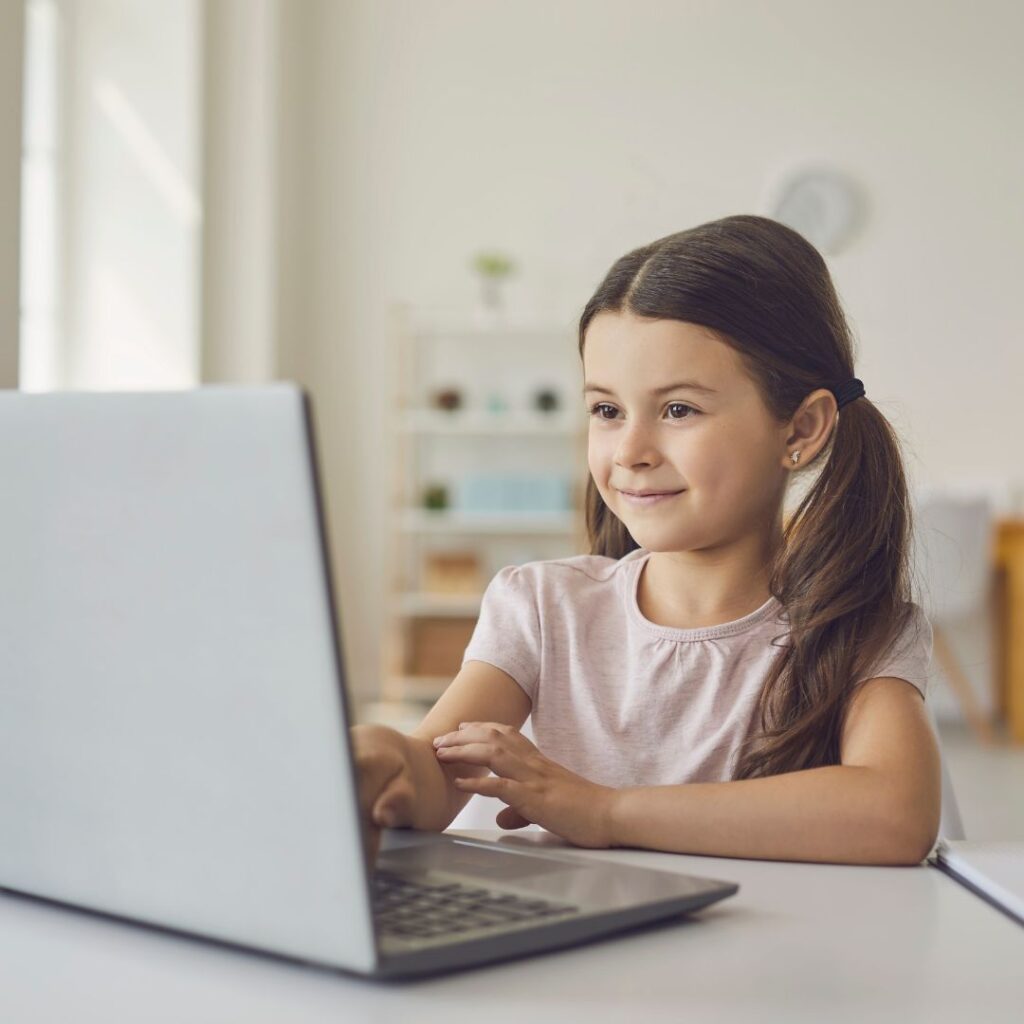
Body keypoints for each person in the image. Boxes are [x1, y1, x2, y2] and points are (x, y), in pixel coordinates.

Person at [353, 214, 941, 867]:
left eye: (678, 409)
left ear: (800, 428)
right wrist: (385, 759)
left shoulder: (857, 627)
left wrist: (604, 812)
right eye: (607, 410)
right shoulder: (542, 607)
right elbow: (433, 777)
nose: (629, 451)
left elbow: (894, 815)